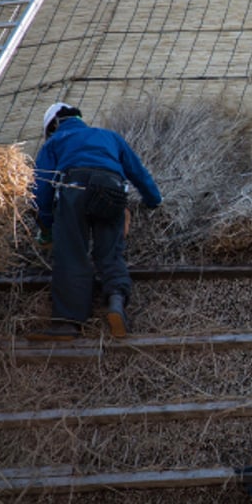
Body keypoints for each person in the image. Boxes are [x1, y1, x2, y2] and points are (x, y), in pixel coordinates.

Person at [29, 102, 163, 340]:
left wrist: (47, 223)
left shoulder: (54, 143)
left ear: (52, 127)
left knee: (72, 255)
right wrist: (153, 199)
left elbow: (41, 188)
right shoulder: (109, 136)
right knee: (110, 252)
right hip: (111, 188)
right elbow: (138, 172)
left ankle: (67, 323)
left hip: (73, 188)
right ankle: (116, 303)